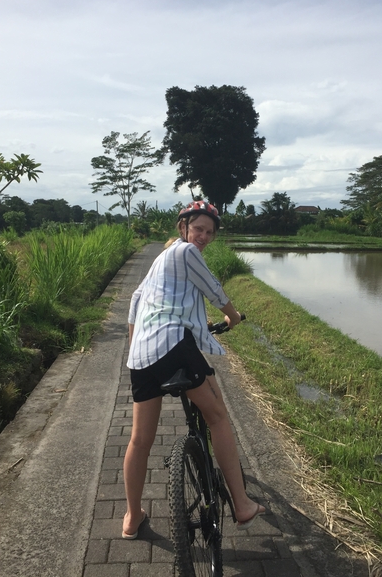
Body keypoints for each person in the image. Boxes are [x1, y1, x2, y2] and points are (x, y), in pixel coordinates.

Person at [122, 201, 265, 539]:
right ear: (183, 227)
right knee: (217, 416)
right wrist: (232, 316)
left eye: (209, 232)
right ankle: (243, 505)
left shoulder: (159, 261)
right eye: (198, 228)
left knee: (140, 440)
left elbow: (134, 300)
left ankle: (131, 517)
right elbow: (213, 287)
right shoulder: (185, 252)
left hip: (141, 358)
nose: (203, 236)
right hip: (173, 344)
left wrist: (136, 343)